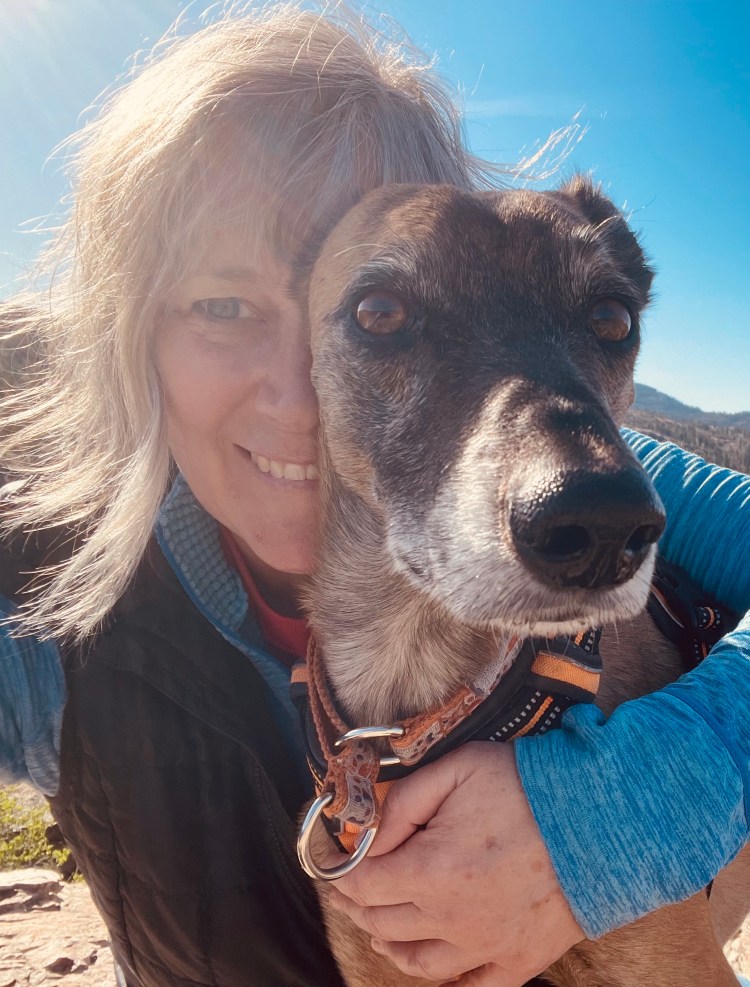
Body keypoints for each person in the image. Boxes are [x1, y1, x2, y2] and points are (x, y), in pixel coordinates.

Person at [0, 4, 748, 987]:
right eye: (222, 306)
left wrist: (648, 795)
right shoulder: (49, 613)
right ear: (129, 331)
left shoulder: (591, 472)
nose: (299, 394)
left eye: (366, 305)